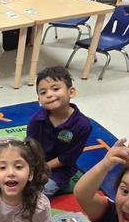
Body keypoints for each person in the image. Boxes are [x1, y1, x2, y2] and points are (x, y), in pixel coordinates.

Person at [26, 66, 91, 198]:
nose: (49, 95)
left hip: (60, 170)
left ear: (71, 92)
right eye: (43, 92)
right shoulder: (36, 121)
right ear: (39, 100)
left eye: (55, 89)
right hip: (35, 164)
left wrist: (43, 169)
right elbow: (29, 147)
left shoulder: (82, 125)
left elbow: (68, 158)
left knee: (37, 195)